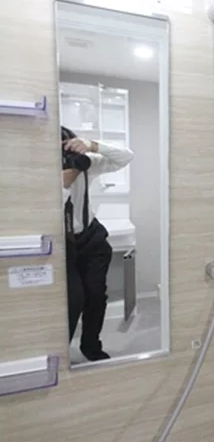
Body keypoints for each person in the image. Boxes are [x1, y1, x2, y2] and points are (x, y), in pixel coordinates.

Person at [62, 127, 134, 361]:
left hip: (91, 237)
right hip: (62, 243)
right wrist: (63, 185)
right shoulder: (38, 175)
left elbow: (126, 157)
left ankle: (91, 346)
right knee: (74, 300)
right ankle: (60, 354)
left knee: (96, 295)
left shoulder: (85, 164)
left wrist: (92, 145)